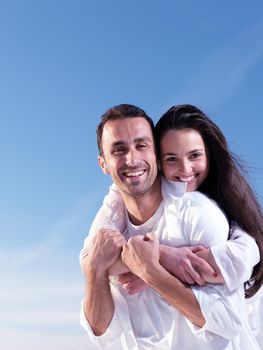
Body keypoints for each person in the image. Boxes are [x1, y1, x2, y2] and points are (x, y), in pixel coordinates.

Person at [80, 104, 260, 349]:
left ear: (154, 154)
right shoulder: (109, 223)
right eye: (119, 150)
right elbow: (102, 334)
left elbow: (227, 323)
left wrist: (151, 271)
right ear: (103, 164)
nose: (131, 159)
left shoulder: (199, 212)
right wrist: (94, 268)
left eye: (141, 145)